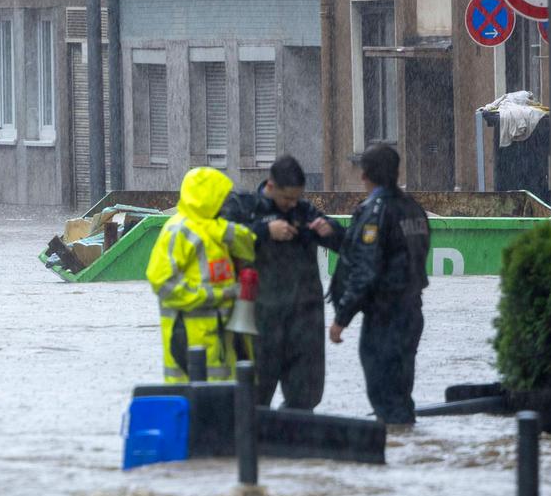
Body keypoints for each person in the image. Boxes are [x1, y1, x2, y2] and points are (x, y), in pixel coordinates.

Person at [220, 155, 336, 409]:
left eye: (297, 198)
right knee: (256, 393)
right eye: (286, 198)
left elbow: (343, 243)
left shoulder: (303, 212)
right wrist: (264, 230)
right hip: (259, 318)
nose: (291, 204)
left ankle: (294, 438)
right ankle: (257, 441)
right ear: (270, 186)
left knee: (306, 393)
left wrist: (330, 230)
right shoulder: (244, 207)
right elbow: (220, 237)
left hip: (304, 318)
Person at [328, 143, 431, 426]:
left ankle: (391, 448)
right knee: (400, 390)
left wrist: (341, 318)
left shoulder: (375, 211)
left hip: (385, 316)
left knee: (384, 393)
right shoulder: (413, 208)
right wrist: (338, 236)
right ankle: (404, 447)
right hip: (411, 311)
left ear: (366, 175)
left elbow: (367, 269)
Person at [146, 165, 257, 383]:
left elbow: (250, 246)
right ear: (207, 198)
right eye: (220, 197)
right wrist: (216, 295)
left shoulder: (215, 229)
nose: (224, 203)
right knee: (198, 404)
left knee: (223, 401)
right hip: (189, 340)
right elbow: (162, 283)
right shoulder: (178, 231)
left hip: (221, 339)